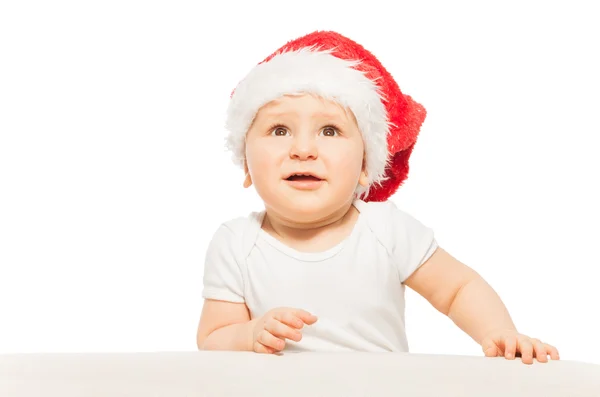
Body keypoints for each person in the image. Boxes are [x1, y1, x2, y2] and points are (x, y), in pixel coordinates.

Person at [195, 30, 559, 365]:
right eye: (279, 129)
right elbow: (213, 336)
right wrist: (250, 333)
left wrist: (499, 333)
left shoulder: (386, 229)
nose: (303, 149)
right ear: (245, 162)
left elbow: (457, 288)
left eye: (329, 130)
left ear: (366, 165)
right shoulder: (236, 244)